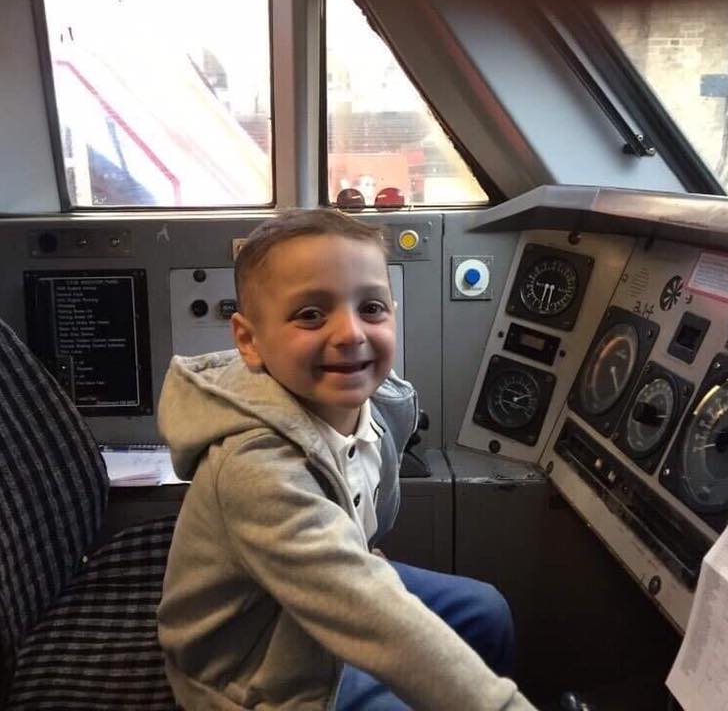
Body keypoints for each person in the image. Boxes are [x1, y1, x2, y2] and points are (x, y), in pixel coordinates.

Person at [157, 208, 535, 710]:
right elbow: (371, 614)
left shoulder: (373, 407)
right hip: (254, 673)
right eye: (311, 314)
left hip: (321, 594)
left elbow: (352, 529)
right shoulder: (255, 467)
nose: (351, 333)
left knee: (485, 612)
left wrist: (360, 551)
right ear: (249, 340)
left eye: (372, 308)